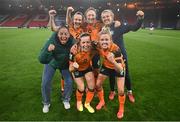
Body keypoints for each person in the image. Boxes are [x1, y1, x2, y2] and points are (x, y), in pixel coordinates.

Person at [100, 9, 144, 102]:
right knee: (111, 74)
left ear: (112, 17)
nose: (106, 18)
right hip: (109, 56)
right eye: (104, 17)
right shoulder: (103, 30)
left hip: (121, 55)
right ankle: (112, 91)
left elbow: (134, 27)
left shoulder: (118, 26)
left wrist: (140, 18)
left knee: (126, 73)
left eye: (107, 16)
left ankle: (129, 91)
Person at [38, 25, 74, 113]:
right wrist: (48, 51)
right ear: (57, 34)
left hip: (64, 64)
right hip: (52, 62)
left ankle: (66, 99)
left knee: (69, 82)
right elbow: (41, 59)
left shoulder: (73, 42)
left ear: (69, 35)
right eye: (61, 34)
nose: (63, 36)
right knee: (45, 83)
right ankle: (46, 103)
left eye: (66, 34)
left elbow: (77, 53)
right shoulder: (51, 40)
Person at [95, 30, 126, 119]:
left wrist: (113, 61)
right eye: (102, 40)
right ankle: (102, 101)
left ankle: (121, 108)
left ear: (111, 40)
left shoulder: (116, 49)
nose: (104, 42)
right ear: (99, 41)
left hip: (118, 67)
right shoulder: (98, 46)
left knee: (121, 91)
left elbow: (120, 69)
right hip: (106, 66)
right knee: (98, 85)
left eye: (106, 39)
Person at [69, 33, 96, 113]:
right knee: (81, 88)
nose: (86, 44)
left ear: (90, 42)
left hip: (87, 67)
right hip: (77, 70)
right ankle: (79, 101)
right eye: (83, 42)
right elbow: (70, 69)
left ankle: (87, 103)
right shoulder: (74, 50)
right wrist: (73, 66)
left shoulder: (93, 48)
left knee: (91, 87)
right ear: (79, 43)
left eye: (88, 42)